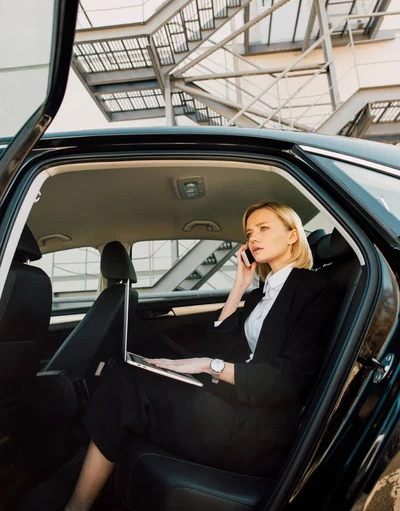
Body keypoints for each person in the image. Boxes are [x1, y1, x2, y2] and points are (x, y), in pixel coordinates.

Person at [65, 201, 343, 511]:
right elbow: (225, 351)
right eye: (250, 232)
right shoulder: (260, 294)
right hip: (233, 404)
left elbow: (289, 380)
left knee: (128, 384)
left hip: (259, 429)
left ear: (293, 235)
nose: (253, 239)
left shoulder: (315, 289)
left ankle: (77, 506)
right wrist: (239, 287)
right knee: (132, 372)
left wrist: (206, 365)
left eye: (264, 229)